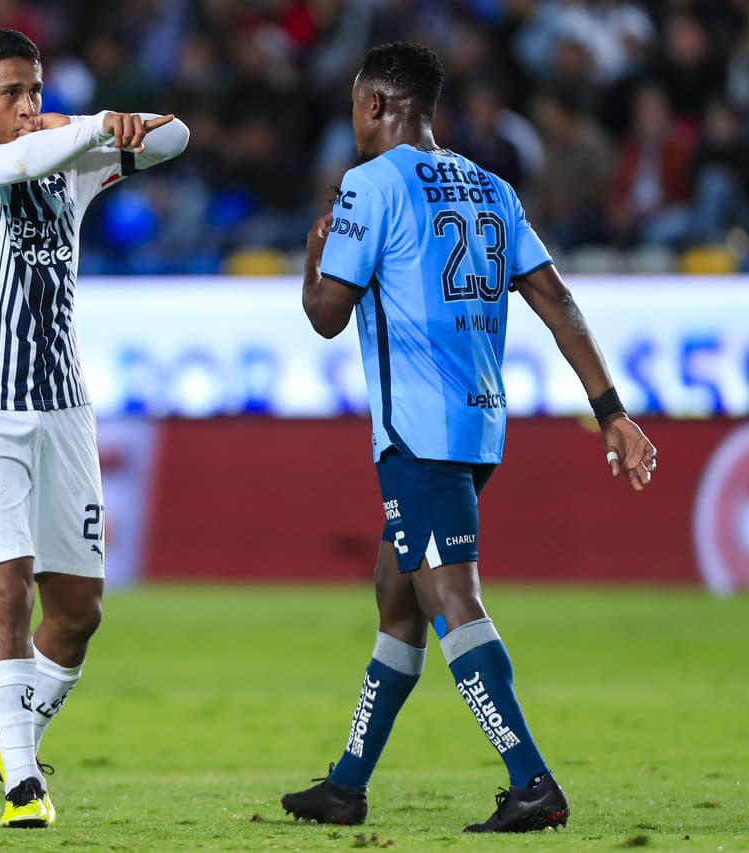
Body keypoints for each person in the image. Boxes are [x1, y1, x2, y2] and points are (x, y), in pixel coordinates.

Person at [282, 43, 657, 833]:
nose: (353, 118)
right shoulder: (491, 187)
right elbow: (558, 302)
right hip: (481, 422)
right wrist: (612, 409)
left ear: (378, 104)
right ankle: (347, 784)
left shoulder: (369, 185)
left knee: (451, 598)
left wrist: (315, 258)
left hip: (417, 431)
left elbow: (326, 315)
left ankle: (533, 782)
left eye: (357, 103)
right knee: (398, 591)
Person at [0, 28, 188, 828]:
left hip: (64, 406)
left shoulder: (68, 158)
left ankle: (16, 733)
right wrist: (87, 130)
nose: (28, 107)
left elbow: (176, 137)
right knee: (3, 588)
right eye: (12, 93)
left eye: (36, 91)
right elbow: (14, 163)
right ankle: (23, 785)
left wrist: (110, 123)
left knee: (77, 613)